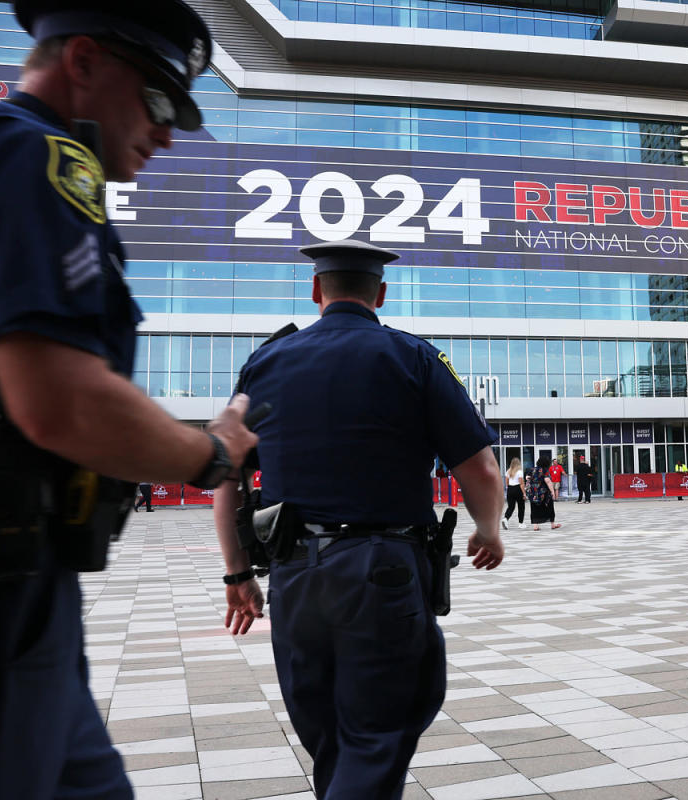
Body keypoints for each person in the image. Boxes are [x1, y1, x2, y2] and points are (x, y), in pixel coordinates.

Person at [0, 3, 262, 797]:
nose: (168, 132)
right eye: (158, 100)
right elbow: (61, 404)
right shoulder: (27, 154)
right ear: (82, 61)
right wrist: (213, 452)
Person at [213, 239, 505, 799]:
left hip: (294, 577)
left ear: (317, 290)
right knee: (375, 739)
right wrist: (488, 529)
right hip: (382, 576)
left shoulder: (264, 363)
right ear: (382, 295)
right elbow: (483, 470)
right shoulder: (412, 357)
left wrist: (236, 575)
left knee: (330, 741)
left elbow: (226, 475)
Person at [527, 453, 562, 530]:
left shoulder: (532, 469)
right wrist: (552, 491)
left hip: (533, 493)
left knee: (534, 508)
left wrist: (533, 479)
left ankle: (535, 526)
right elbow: (547, 481)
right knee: (549, 507)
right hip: (544, 493)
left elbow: (527, 477)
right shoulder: (545, 470)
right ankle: (553, 524)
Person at [502, 457, 525, 529]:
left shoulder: (508, 471)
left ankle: (505, 518)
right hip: (518, 489)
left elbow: (507, 483)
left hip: (510, 489)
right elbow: (521, 483)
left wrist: (509, 489)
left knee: (511, 507)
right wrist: (524, 493)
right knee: (521, 506)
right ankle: (520, 523)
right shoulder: (519, 472)